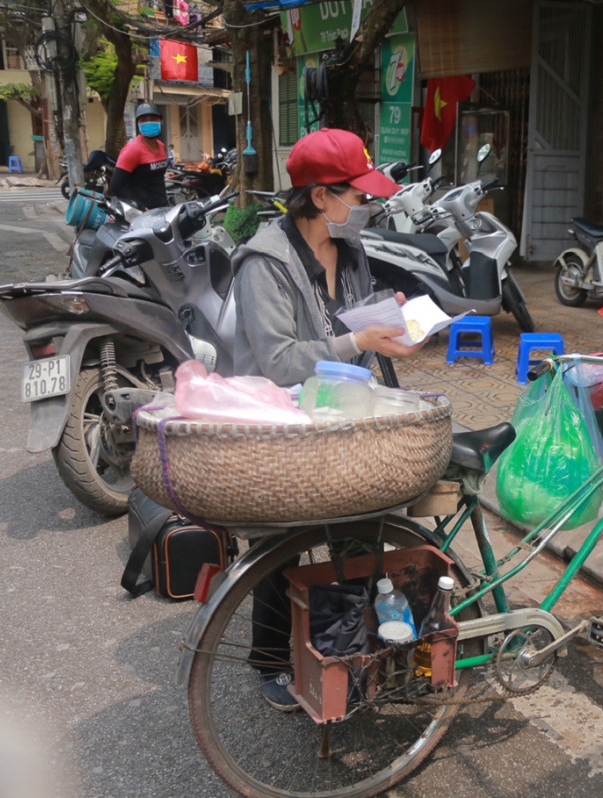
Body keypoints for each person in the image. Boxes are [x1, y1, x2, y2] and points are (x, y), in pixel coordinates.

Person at [231, 127, 418, 709]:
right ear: (320, 198)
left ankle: (349, 643)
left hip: (338, 412)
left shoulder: (352, 252)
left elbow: (354, 328)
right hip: (276, 418)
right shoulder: (265, 262)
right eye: (358, 198)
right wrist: (358, 337)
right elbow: (280, 359)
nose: (365, 209)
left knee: (365, 528)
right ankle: (269, 659)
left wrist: (388, 325)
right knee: (284, 538)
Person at [110, 103, 169, 210]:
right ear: (138, 124)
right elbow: (116, 185)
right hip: (143, 212)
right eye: (144, 120)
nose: (149, 122)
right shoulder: (132, 150)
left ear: (161, 121)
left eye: (153, 118)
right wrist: (140, 206)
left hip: (161, 207)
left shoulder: (161, 146)